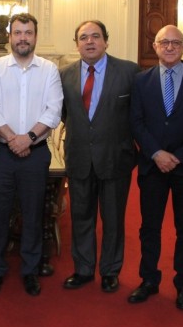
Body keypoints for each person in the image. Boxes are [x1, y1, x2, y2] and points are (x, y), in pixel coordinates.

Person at [128, 25, 183, 309]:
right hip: (153, 167)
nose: (170, 47)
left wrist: (181, 155)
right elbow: (136, 122)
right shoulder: (141, 81)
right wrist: (156, 153)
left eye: (176, 42)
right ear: (155, 46)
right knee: (149, 227)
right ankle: (149, 279)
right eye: (165, 42)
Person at [0, 13, 63, 296]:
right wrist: (12, 139)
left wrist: (27, 138)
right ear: (12, 35)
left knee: (33, 214)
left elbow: (53, 111)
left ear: (35, 37)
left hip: (36, 153)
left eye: (28, 32)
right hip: (3, 154)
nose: (23, 38)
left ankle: (30, 270)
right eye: (18, 32)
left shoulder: (49, 70)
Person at [59, 20, 139, 293]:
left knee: (113, 219)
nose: (90, 41)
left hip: (116, 159)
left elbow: (138, 115)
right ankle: (83, 269)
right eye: (83, 37)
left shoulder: (129, 72)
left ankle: (110, 270)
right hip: (79, 156)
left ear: (106, 41)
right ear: (77, 44)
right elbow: (61, 114)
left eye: (95, 36)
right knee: (81, 216)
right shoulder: (64, 75)